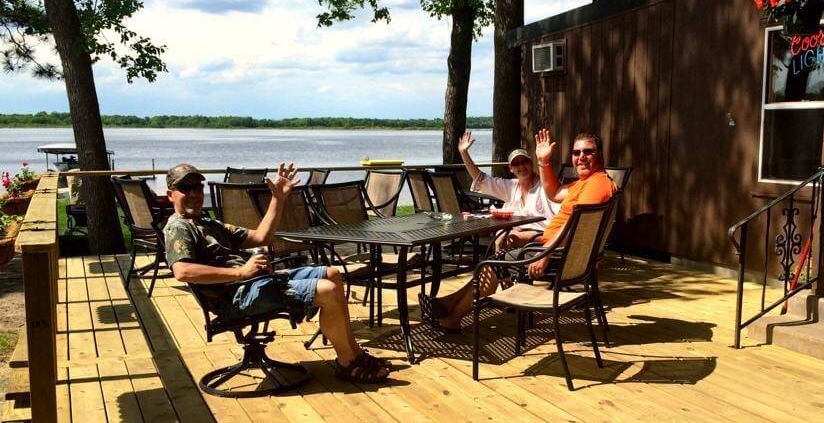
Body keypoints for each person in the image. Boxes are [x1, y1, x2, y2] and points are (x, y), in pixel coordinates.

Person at [163, 162, 391, 383]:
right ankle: (348, 362)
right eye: (185, 188)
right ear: (170, 194)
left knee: (332, 274)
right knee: (328, 291)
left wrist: (278, 199)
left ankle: (353, 354)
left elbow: (261, 237)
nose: (194, 193)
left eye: (198, 187)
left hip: (255, 284)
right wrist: (242, 272)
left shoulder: (209, 223)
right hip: (235, 297)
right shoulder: (179, 228)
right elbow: (182, 271)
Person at [424, 129, 617, 331]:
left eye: (588, 152)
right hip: (553, 249)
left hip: (558, 255)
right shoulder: (585, 183)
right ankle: (449, 303)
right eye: (576, 153)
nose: (581, 157)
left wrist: (546, 253)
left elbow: (577, 228)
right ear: (510, 169)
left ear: (600, 155)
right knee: (494, 261)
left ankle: (453, 317)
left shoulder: (597, 186)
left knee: (492, 265)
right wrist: (544, 161)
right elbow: (555, 193)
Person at [457, 130, 557, 244]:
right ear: (511, 168)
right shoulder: (511, 186)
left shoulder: (545, 186)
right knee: (501, 236)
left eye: (525, 161)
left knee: (507, 237)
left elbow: (562, 214)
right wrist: (464, 153)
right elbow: (481, 179)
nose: (521, 166)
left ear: (531, 163)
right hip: (518, 235)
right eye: (516, 164)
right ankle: (497, 260)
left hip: (542, 236)